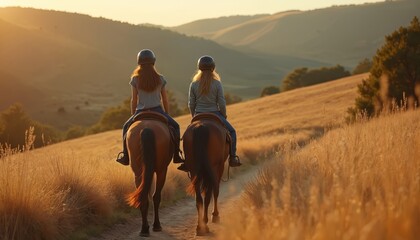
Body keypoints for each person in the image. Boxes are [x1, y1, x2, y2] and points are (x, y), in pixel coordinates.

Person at [116, 49, 184, 166]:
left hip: (140, 111)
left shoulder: (135, 79)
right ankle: (176, 155)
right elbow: (165, 99)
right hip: (157, 110)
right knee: (176, 127)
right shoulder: (160, 78)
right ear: (153, 62)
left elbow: (134, 100)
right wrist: (166, 113)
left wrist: (133, 115)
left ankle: (125, 156)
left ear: (139, 63)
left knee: (125, 128)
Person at [178, 55, 241, 171]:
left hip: (198, 114)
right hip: (215, 114)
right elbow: (221, 102)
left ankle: (187, 161)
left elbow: (191, 104)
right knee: (232, 132)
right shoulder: (217, 83)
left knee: (186, 136)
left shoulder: (193, 84)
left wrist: (194, 116)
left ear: (199, 68)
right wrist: (223, 115)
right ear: (213, 68)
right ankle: (233, 158)